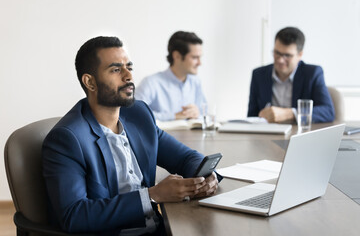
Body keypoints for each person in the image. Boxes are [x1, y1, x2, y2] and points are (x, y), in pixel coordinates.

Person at [42, 36, 220, 235]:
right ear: (90, 82)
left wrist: (206, 175)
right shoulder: (67, 139)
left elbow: (186, 158)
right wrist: (152, 195)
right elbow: (74, 216)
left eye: (129, 67)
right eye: (116, 69)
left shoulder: (139, 114)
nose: (128, 76)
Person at [247, 27, 335, 123]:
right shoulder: (258, 75)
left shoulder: (312, 73)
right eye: (277, 53)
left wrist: (290, 113)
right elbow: (252, 117)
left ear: (300, 55)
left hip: (299, 135)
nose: (280, 60)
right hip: (267, 135)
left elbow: (328, 111)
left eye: (287, 55)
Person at [135, 31, 207, 121]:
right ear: (177, 56)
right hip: (162, 134)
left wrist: (198, 114)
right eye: (194, 57)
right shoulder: (151, 83)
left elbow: (205, 116)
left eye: (200, 57)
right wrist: (174, 116)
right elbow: (134, 113)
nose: (200, 63)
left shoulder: (195, 82)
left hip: (192, 135)